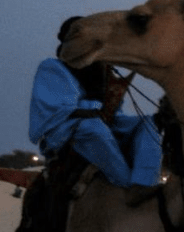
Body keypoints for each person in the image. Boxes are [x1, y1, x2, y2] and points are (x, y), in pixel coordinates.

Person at [29, 16, 163, 196]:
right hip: (67, 127)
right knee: (92, 128)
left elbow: (114, 110)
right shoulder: (52, 67)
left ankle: (144, 182)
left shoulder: (101, 69)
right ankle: (126, 186)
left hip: (105, 122)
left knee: (148, 123)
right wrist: (91, 112)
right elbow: (57, 109)